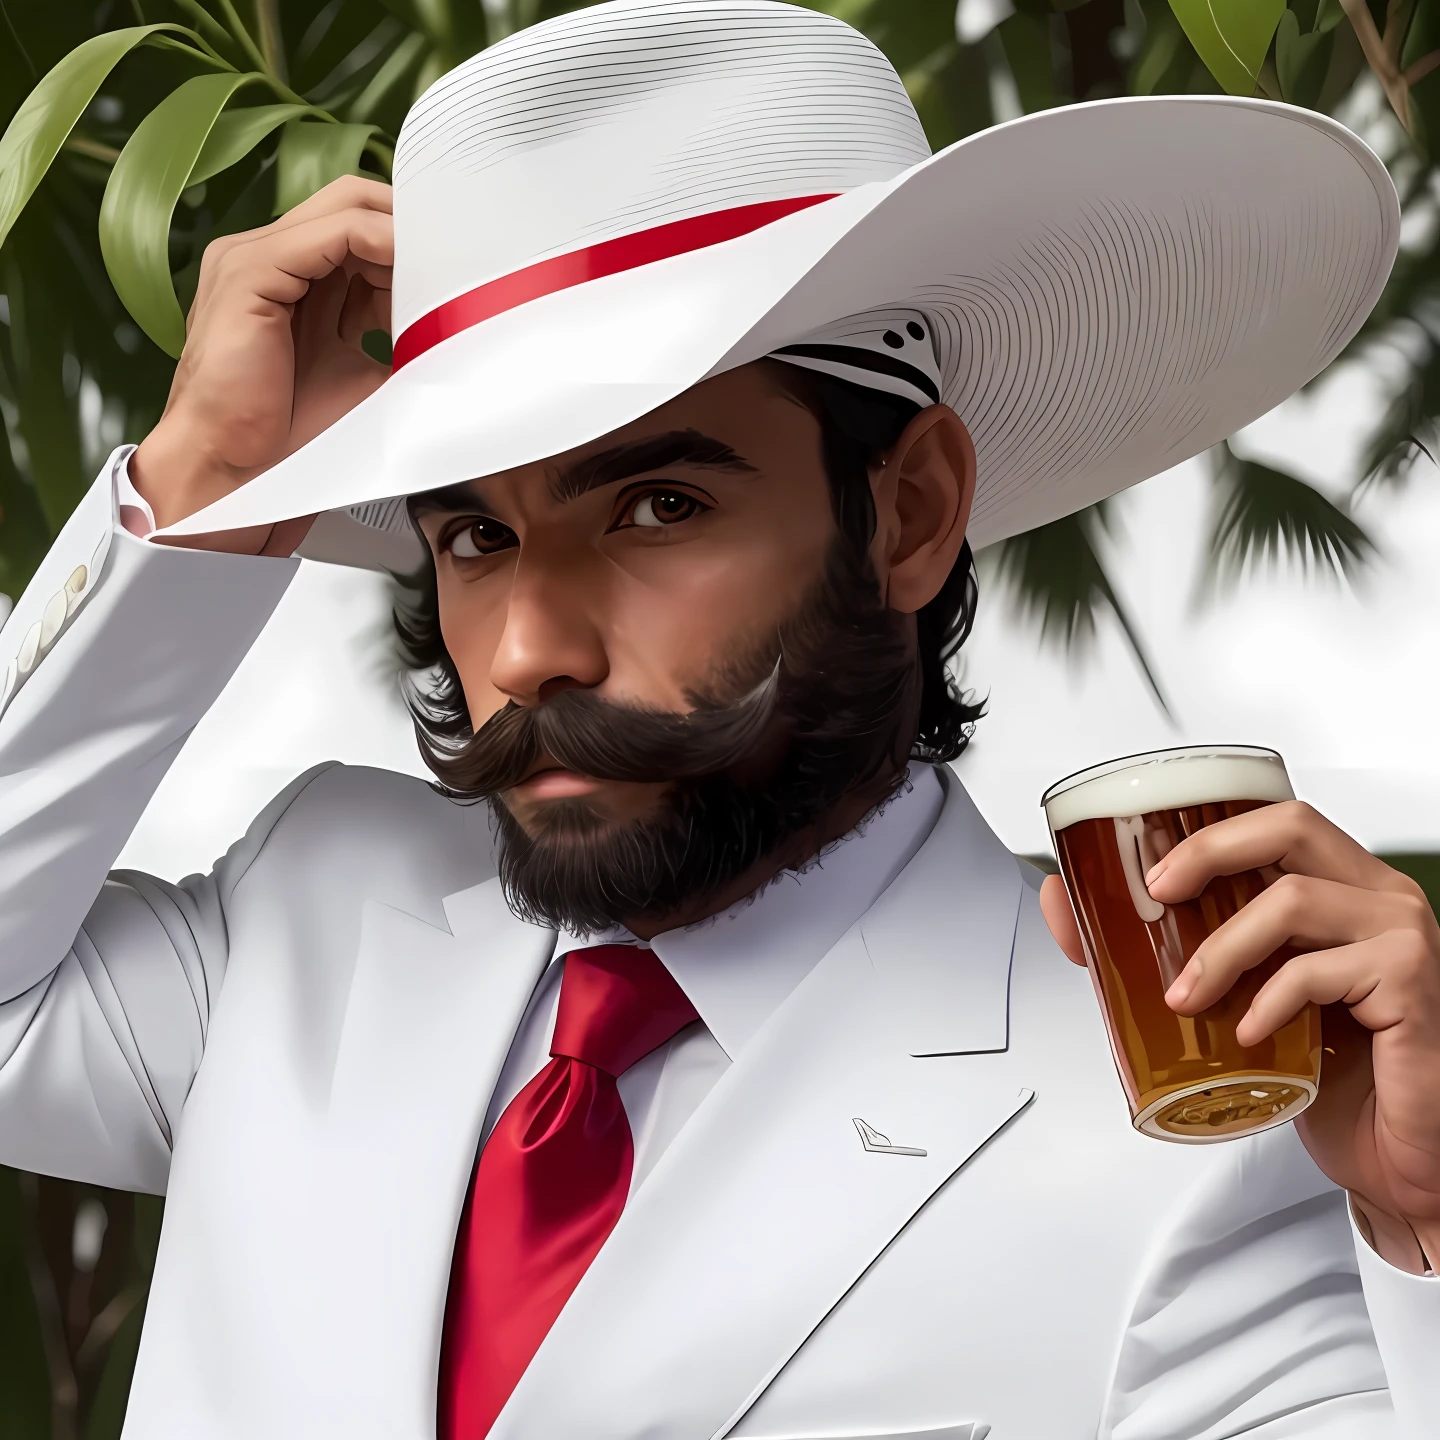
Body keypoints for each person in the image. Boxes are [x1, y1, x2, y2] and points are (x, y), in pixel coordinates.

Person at [1, 3, 1437, 1437]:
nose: (528, 651)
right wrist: (194, 486)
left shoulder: (1193, 1117)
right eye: (473, 538)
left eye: (659, 506)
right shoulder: (315, 905)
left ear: (913, 510)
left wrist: (1426, 1234)